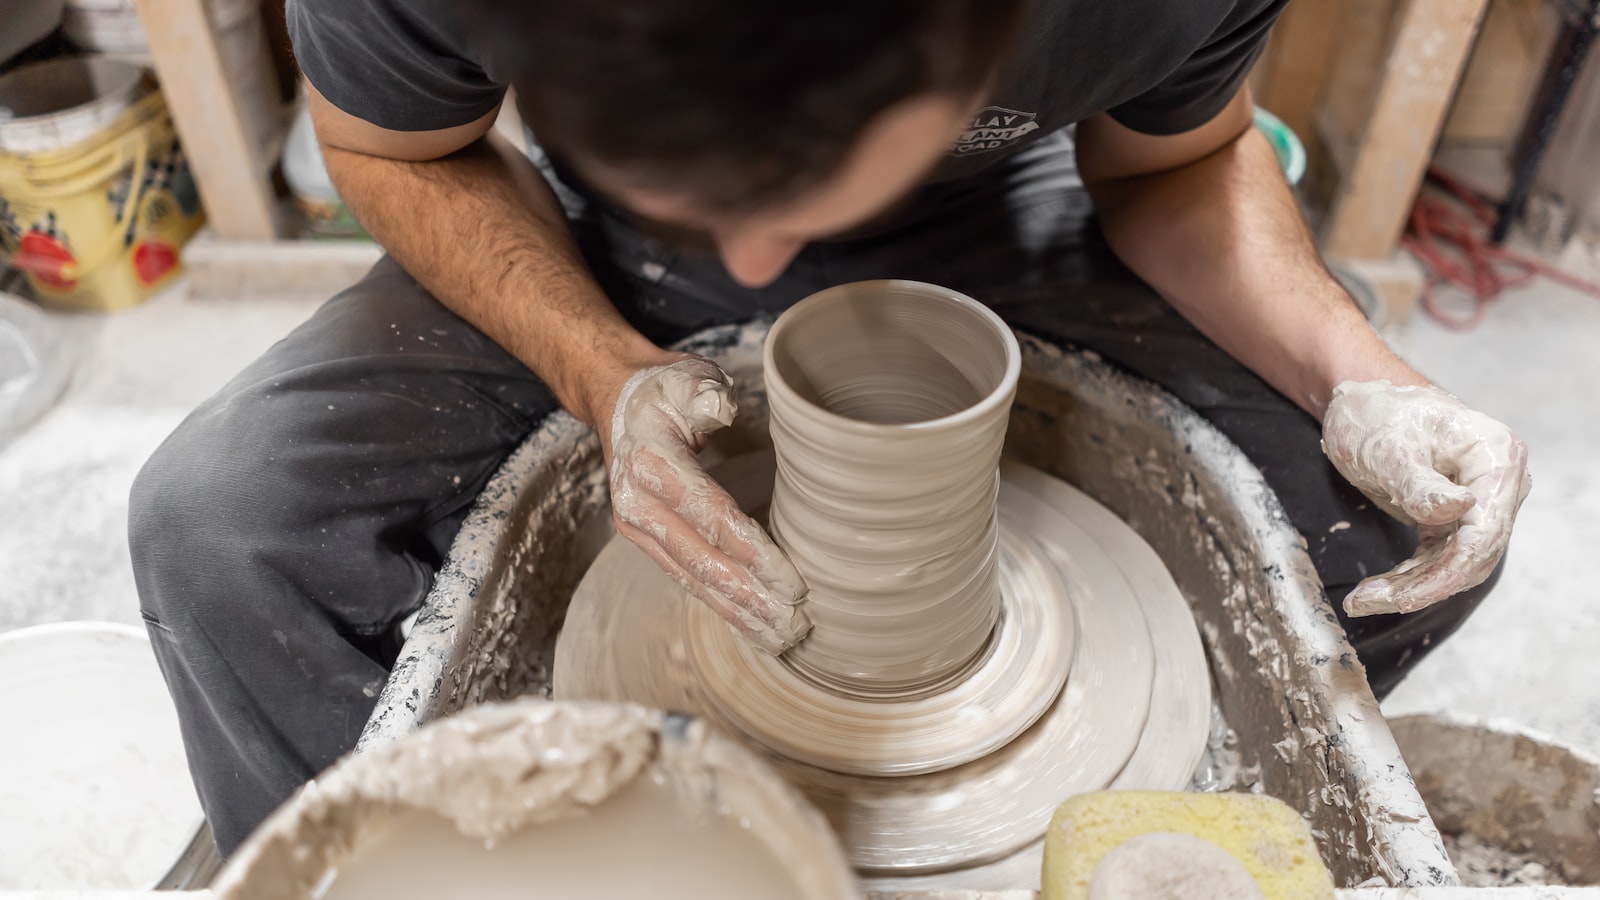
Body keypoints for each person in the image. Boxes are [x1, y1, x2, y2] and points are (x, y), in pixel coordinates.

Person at [129, 0, 1531, 856]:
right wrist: (603, 367)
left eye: (794, 192)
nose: (758, 266)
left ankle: (1121, 830)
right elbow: (391, 149)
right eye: (714, 192)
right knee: (225, 527)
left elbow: (1181, 165)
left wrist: (1362, 376)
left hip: (999, 221)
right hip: (583, 243)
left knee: (1394, 530)